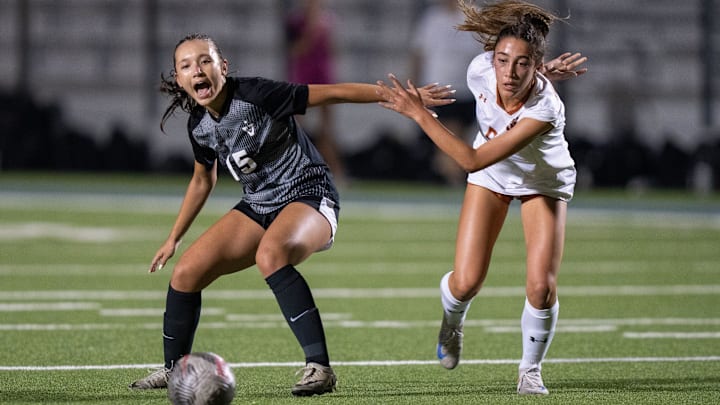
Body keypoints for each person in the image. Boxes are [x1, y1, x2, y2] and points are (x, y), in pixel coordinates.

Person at [128, 33, 453, 396]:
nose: (197, 70)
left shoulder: (257, 95)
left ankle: (319, 367)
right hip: (259, 205)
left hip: (310, 195)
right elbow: (203, 179)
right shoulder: (199, 125)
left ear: (223, 67)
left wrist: (400, 98)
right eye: (186, 65)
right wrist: (174, 237)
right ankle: (175, 370)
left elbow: (333, 93)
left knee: (272, 254)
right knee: (186, 272)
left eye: (205, 61)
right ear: (178, 78)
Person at [376, 0, 587, 395]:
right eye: (503, 60)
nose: (509, 72)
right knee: (467, 282)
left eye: (523, 63)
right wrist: (538, 68)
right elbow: (483, 161)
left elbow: (470, 160)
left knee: (541, 286)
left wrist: (419, 114)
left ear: (536, 62)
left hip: (542, 180)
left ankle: (530, 369)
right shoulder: (480, 69)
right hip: (494, 175)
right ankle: (452, 322)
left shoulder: (545, 107)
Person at [409, 0, 480, 185]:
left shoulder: (476, 17)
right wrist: (414, 87)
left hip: (467, 90)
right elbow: (419, 54)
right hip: (439, 89)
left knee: (460, 140)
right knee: (448, 137)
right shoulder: (432, 18)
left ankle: (454, 176)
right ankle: (453, 179)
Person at [285, 0, 346, 184]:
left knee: (326, 130)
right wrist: (311, 29)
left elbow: (332, 50)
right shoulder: (294, 21)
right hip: (302, 78)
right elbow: (295, 50)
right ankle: (291, 171)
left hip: (323, 77)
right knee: (295, 128)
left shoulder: (329, 21)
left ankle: (336, 172)